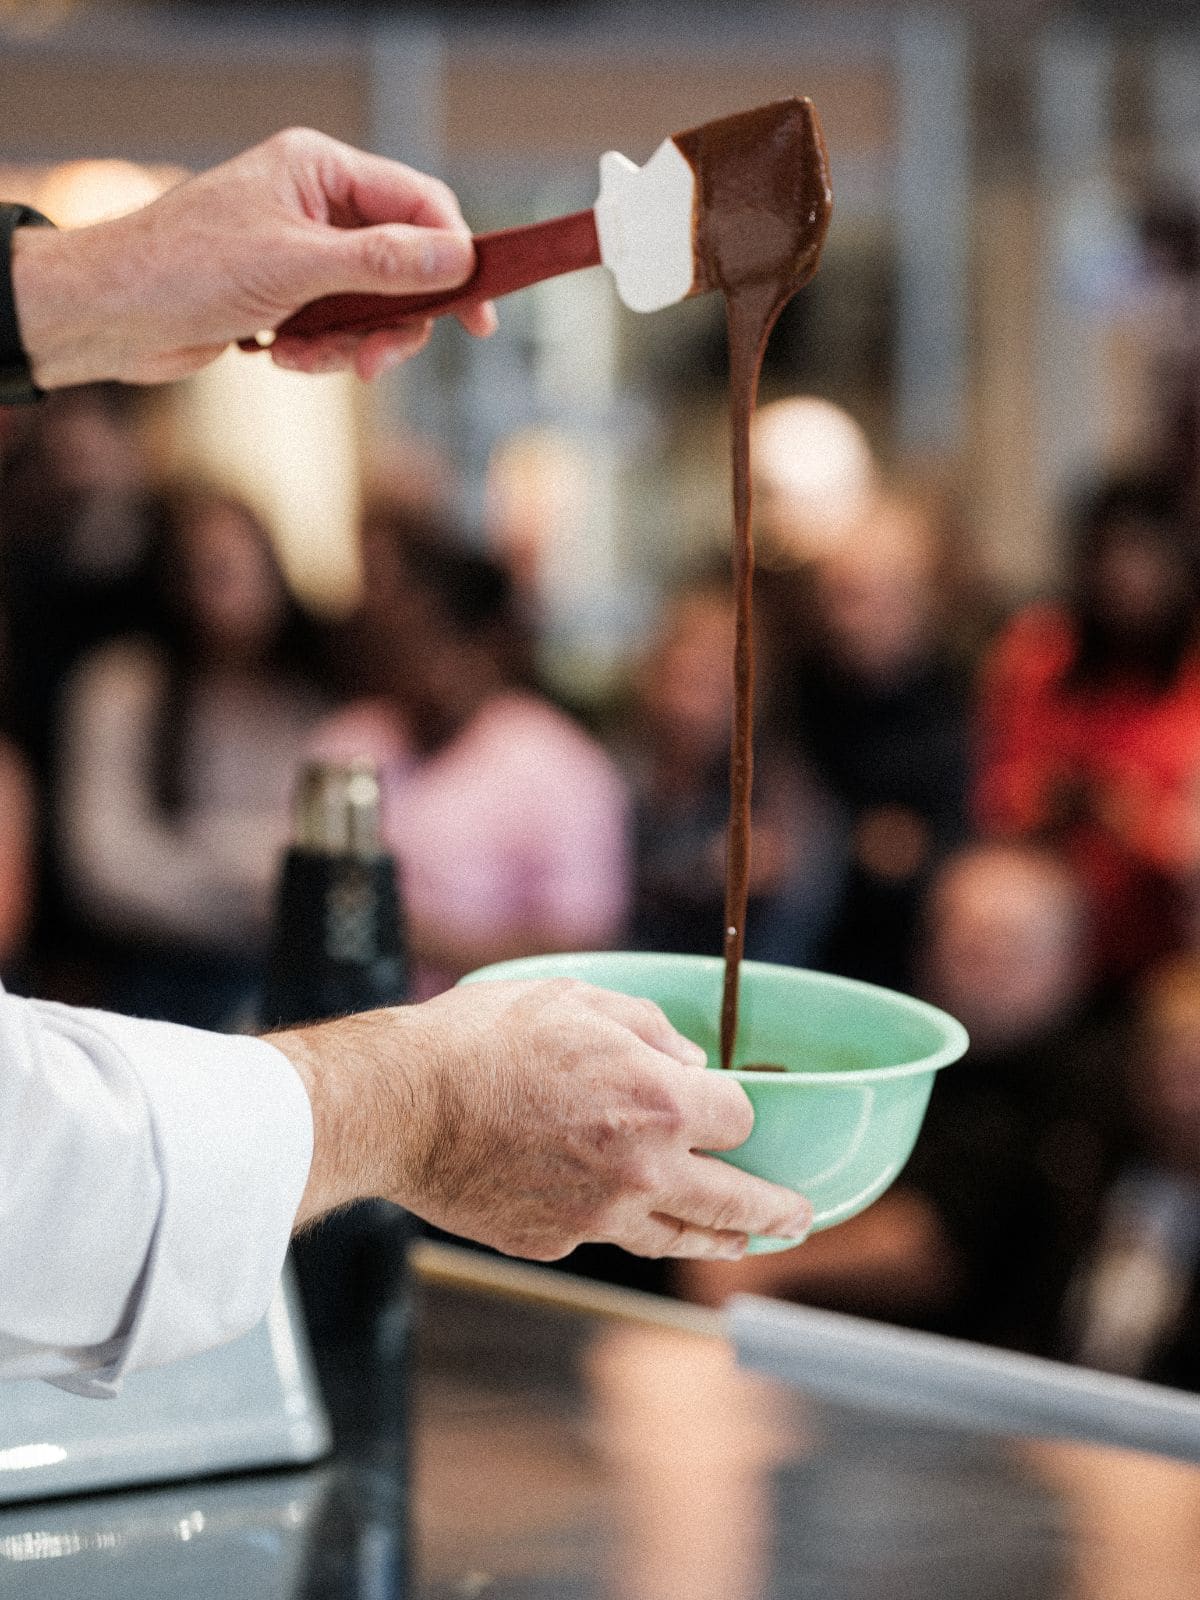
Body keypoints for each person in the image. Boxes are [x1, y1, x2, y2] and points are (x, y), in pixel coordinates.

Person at [0, 129, 812, 1397]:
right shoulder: (332, 739)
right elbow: (37, 1178)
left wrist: (88, 286)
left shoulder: (541, 761)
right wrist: (415, 1106)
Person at [312, 509, 629, 998]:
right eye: (395, 644)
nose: (413, 666)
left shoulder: (561, 767)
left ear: (485, 644)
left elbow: (587, 944)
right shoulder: (346, 742)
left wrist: (407, 935)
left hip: (501, 1023)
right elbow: (300, 898)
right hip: (347, 1009)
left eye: (430, 642)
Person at [57, 486, 327, 1028]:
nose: (236, 594)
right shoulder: (120, 688)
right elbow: (106, 868)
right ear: (170, 579)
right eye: (212, 571)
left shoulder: (307, 698)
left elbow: (316, 855)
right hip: (147, 976)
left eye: (252, 569)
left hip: (278, 974)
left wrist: (202, 846)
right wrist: (258, 881)